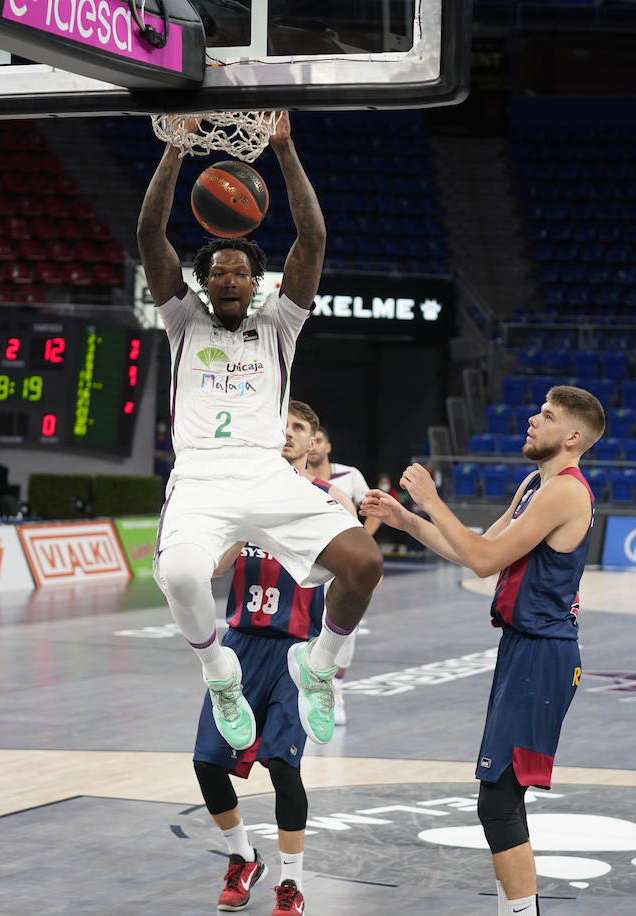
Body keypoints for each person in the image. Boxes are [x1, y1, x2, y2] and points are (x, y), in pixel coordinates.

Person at [137, 111, 382, 751]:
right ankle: (220, 674)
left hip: (267, 473)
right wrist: (175, 149)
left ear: (256, 282)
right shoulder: (182, 319)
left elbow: (314, 236)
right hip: (199, 477)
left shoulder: (279, 324)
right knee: (185, 578)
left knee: (364, 563)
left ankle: (321, 663)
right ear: (202, 281)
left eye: (239, 272)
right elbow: (148, 232)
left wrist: (285, 146)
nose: (227, 279)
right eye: (216, 271)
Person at [360, 386, 605, 916]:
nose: (531, 420)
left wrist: (429, 499)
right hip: (522, 650)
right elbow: (467, 546)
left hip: (544, 653)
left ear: (572, 437)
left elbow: (485, 561)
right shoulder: (532, 485)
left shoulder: (566, 492)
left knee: (497, 801)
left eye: (546, 416)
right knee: (499, 798)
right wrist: (406, 521)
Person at [195, 400, 351, 915]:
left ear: (314, 443)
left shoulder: (329, 500)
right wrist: (240, 526)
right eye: (279, 428)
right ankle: (243, 858)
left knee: (284, 768)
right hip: (239, 644)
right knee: (207, 763)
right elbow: (216, 569)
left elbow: (356, 576)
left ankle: (291, 883)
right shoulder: (242, 499)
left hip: (294, 652)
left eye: (298, 429)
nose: (287, 435)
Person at [304, 424, 370, 726]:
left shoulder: (350, 476)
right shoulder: (294, 479)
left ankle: (336, 691)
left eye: (319, 440)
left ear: (328, 446)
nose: (314, 445)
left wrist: (363, 549)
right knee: (306, 625)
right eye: (311, 440)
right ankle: (308, 688)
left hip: (341, 561)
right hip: (307, 560)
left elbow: (372, 509)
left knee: (345, 625)